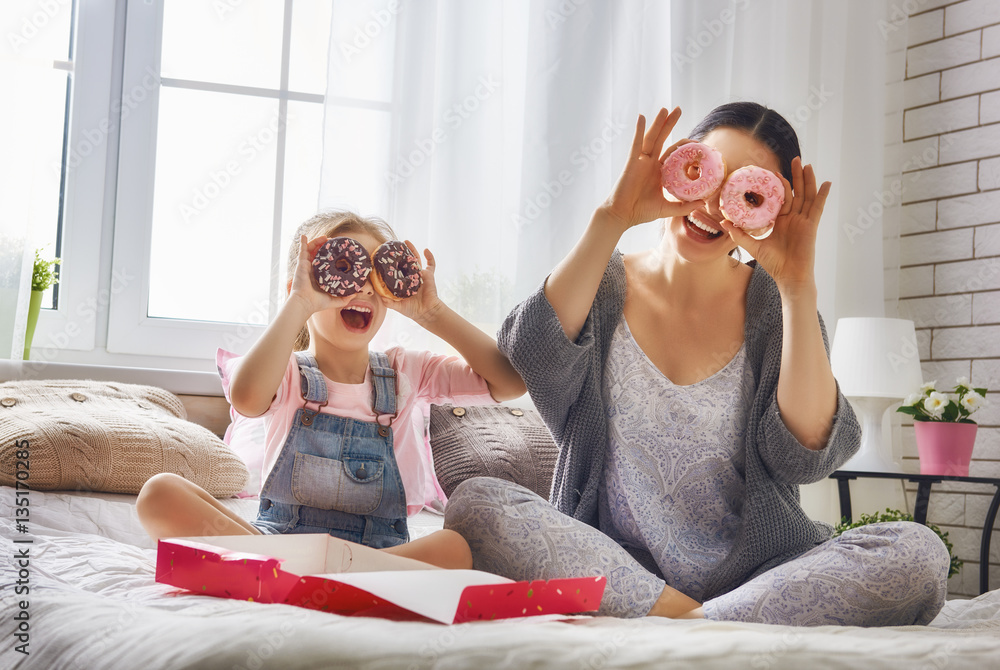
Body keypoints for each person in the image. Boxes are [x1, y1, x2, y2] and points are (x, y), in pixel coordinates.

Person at [443, 102, 951, 625]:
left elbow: (803, 459)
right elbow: (531, 354)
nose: (712, 206)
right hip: (614, 565)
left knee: (920, 552)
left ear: (772, 211)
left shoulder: (775, 308)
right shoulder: (602, 285)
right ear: (674, 166)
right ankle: (689, 618)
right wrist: (611, 219)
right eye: (702, 174)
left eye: (745, 193)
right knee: (477, 502)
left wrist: (797, 287)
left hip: (761, 575)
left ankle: (697, 624)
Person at [137, 210, 526, 570]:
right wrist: (300, 302)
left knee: (452, 548)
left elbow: (509, 383)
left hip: (374, 557)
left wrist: (431, 312)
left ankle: (290, 580)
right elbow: (246, 398)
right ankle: (307, 580)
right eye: (344, 272)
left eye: (375, 277)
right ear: (302, 288)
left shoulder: (407, 371)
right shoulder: (287, 372)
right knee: (160, 493)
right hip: (280, 544)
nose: (363, 289)